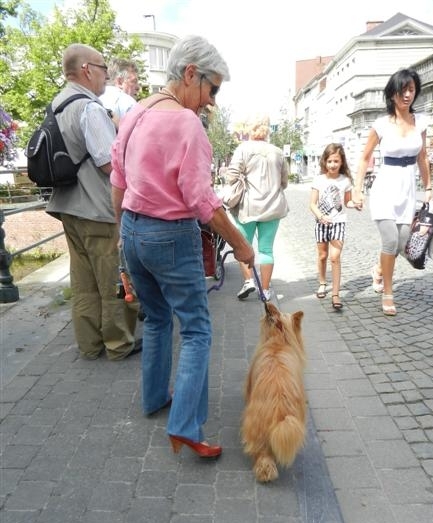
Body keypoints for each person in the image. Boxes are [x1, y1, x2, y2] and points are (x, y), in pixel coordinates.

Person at [110, 35, 254, 458]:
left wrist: (124, 234)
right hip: (171, 235)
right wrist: (242, 244)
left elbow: (117, 179)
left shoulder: (138, 111)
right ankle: (186, 427)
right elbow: (201, 200)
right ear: (191, 73)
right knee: (196, 329)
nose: (211, 101)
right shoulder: (187, 123)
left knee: (155, 318)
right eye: (212, 89)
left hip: (134, 230)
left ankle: (155, 397)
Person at [46, 43, 140, 360]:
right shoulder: (89, 108)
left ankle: (89, 344)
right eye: (103, 69)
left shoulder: (57, 104)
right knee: (114, 278)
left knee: (83, 282)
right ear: (87, 69)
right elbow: (108, 164)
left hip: (68, 205)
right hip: (97, 209)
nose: (106, 76)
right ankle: (118, 344)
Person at [353, 68, 433, 316]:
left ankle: (379, 269)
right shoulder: (381, 124)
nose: (407, 95)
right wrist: (357, 189)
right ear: (392, 94)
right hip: (385, 186)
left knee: (400, 243)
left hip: (407, 187)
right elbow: (365, 158)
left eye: (411, 90)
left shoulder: (420, 122)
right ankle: (388, 292)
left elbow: (422, 157)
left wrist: (428, 187)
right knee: (389, 240)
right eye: (403, 90)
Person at [226, 118, 289, 302]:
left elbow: (232, 175)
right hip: (273, 207)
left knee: (243, 245)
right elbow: (284, 181)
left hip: (248, 207)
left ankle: (248, 281)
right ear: (267, 133)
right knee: (266, 250)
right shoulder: (277, 152)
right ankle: (266, 290)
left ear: (250, 132)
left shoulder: (243, 149)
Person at [309, 143, 361, 310]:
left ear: (341, 162)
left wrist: (356, 204)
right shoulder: (318, 180)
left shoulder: (345, 181)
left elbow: (347, 202)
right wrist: (320, 216)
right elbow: (312, 204)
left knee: (334, 257)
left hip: (338, 222)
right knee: (323, 255)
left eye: (336, 161)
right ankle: (323, 282)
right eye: (329, 161)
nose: (332, 164)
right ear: (325, 161)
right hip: (321, 223)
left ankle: (336, 294)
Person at [99, 58, 140, 127]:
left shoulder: (95, 98)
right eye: (134, 81)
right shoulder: (128, 103)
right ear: (120, 82)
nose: (138, 87)